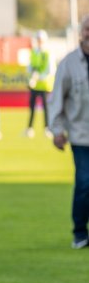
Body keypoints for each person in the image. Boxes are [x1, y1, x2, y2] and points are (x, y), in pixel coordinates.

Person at [48, 15, 89, 249]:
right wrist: (56, 130)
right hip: (81, 135)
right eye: (86, 29)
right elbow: (56, 100)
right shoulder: (69, 63)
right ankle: (80, 232)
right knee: (84, 183)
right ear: (80, 33)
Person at [25, 29, 55, 138]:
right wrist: (32, 77)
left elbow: (50, 70)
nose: (39, 41)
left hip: (45, 84)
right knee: (32, 106)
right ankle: (29, 128)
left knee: (46, 108)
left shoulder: (48, 52)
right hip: (35, 84)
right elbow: (30, 66)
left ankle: (47, 128)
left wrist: (38, 77)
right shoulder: (34, 51)